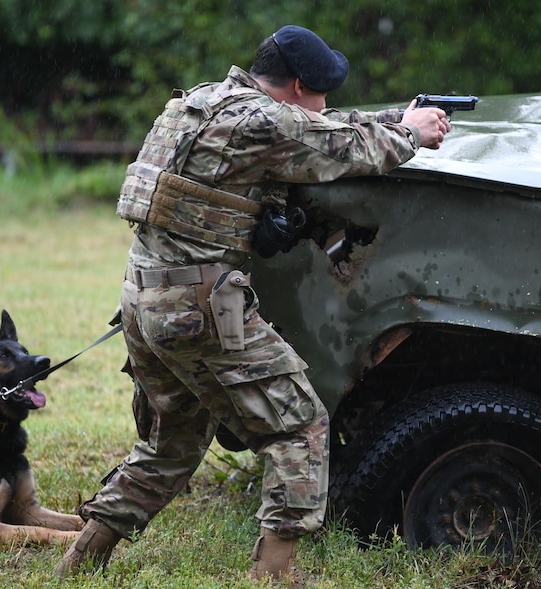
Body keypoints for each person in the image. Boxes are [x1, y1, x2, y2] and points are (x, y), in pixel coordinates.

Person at [55, 25, 450, 586]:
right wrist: (410, 133)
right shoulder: (266, 122)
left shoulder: (196, 104)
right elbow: (342, 146)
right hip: (199, 306)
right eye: (320, 92)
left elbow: (319, 128)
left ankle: (79, 562)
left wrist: (395, 118)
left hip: (144, 300)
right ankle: (275, 576)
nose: (326, 103)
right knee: (299, 426)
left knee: (170, 447)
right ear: (293, 85)